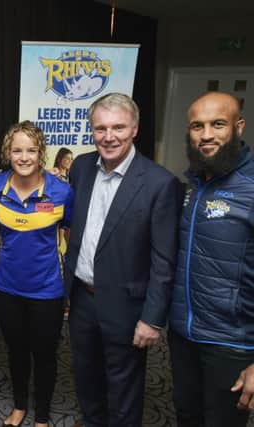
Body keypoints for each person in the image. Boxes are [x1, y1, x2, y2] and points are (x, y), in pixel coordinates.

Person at [64, 92, 182, 427]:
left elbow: (164, 259)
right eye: (100, 128)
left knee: (124, 389)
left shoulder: (160, 184)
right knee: (86, 376)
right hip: (82, 299)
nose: (109, 136)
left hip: (128, 308)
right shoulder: (82, 167)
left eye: (118, 127)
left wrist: (152, 319)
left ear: (135, 129)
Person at [168, 91, 254, 427]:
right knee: (187, 416)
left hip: (231, 343)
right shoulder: (190, 186)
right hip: (183, 337)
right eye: (197, 126)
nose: (206, 135)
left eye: (217, 124)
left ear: (238, 127)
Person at [0, 121, 74, 427]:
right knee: (16, 351)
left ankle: (41, 416)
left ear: (40, 153)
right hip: (7, 287)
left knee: (45, 355)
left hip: (46, 291)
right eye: (17, 150)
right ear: (7, 153)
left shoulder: (61, 191)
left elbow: (70, 233)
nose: (24, 157)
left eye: (31, 150)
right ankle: (19, 406)